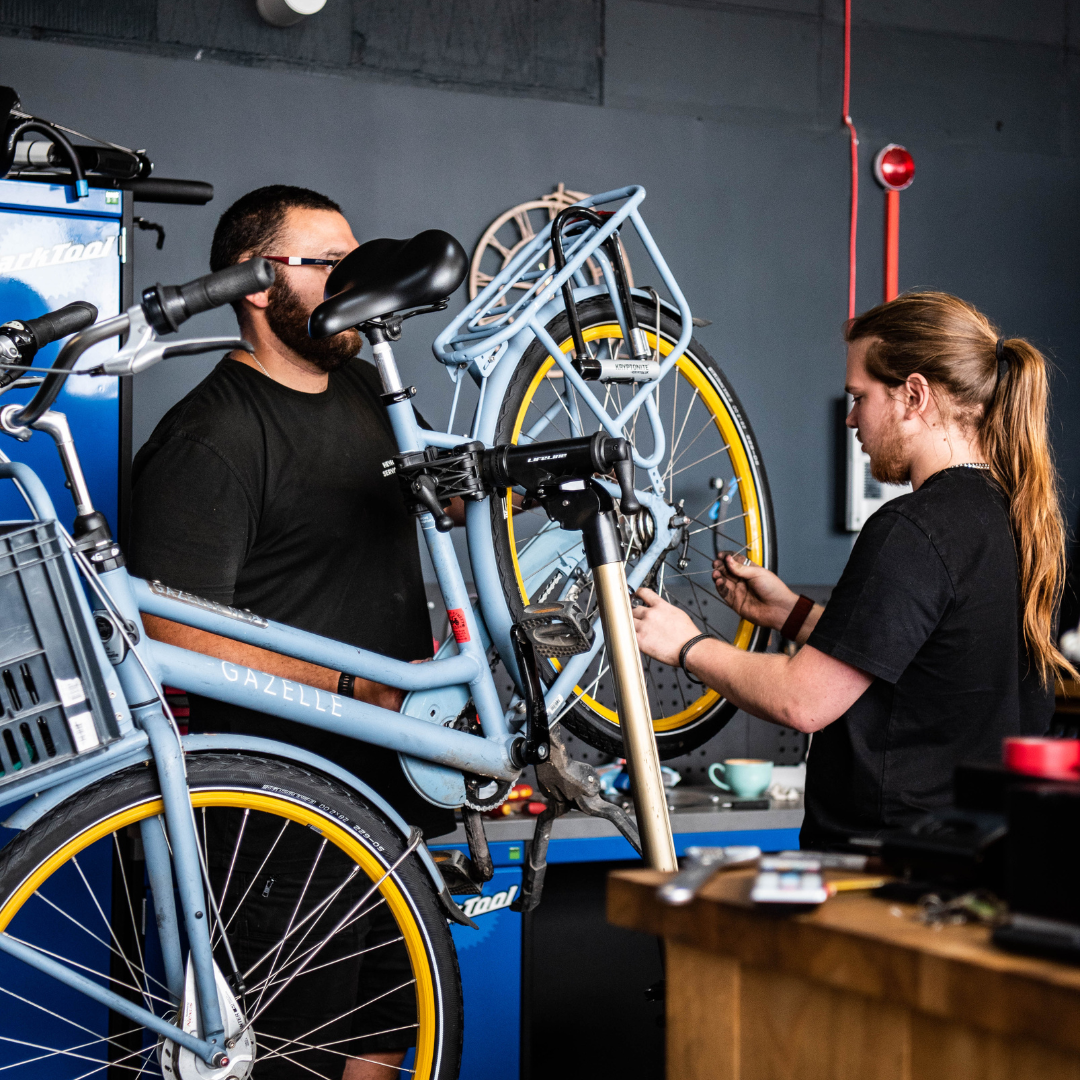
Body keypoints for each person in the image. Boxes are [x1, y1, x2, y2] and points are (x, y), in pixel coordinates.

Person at [128, 185, 450, 1078]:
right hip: (279, 821)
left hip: (391, 804)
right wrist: (357, 691)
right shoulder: (210, 439)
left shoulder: (364, 388)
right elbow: (176, 635)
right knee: (293, 1060)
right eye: (333, 266)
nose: (360, 280)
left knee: (387, 1043)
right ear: (261, 286)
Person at [633, 291, 1076, 849]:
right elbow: (923, 664)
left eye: (860, 396)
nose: (850, 418)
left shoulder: (913, 527)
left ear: (913, 396)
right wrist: (791, 615)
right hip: (975, 853)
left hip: (887, 864)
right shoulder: (1018, 518)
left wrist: (685, 644)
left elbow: (804, 701)